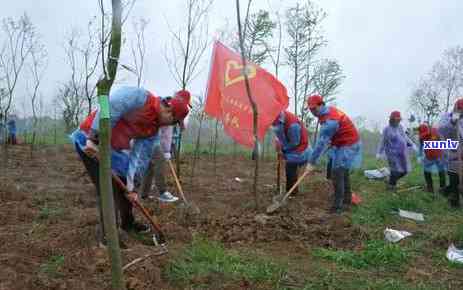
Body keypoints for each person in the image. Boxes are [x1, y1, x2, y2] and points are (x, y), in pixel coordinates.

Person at [70, 86, 189, 247]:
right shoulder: (141, 97)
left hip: (113, 150)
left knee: (125, 183)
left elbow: (140, 159)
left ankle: (128, 224)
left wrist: (133, 188)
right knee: (107, 189)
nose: (172, 126)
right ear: (169, 112)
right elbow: (111, 104)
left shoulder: (153, 131)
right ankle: (108, 238)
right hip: (88, 139)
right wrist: (94, 138)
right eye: (174, 122)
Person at [306, 94, 362, 214]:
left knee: (336, 173)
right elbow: (335, 133)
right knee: (342, 171)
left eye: (314, 108)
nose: (312, 112)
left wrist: (311, 162)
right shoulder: (327, 112)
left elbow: (321, 144)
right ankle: (346, 199)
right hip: (343, 142)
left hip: (349, 144)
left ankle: (337, 207)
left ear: (321, 105)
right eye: (310, 109)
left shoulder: (330, 122)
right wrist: (333, 141)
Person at [140, 90, 191, 202]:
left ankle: (144, 194)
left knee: (150, 168)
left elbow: (182, 127)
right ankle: (163, 192)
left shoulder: (175, 111)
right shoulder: (167, 111)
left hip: (155, 142)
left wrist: (181, 118)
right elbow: (162, 132)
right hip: (152, 141)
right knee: (160, 161)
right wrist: (166, 151)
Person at [272, 110, 311, 196]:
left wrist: (283, 150)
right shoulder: (277, 120)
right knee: (286, 168)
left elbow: (295, 143)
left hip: (300, 150)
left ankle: (291, 193)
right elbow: (279, 134)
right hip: (289, 148)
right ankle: (284, 190)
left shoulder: (293, 125)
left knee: (290, 167)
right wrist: (278, 142)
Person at [377, 111, 417, 192]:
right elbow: (382, 141)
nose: (398, 121)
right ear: (392, 119)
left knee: (405, 171)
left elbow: (405, 137)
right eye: (397, 119)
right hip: (391, 154)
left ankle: (390, 181)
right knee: (395, 171)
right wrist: (379, 152)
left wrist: (412, 144)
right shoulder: (386, 129)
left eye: (399, 119)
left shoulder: (400, 127)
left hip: (401, 153)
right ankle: (391, 188)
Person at [437, 98, 463, 208]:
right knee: (454, 178)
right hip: (452, 154)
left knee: (458, 182)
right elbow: (442, 131)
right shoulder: (446, 117)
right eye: (461, 110)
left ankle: (445, 191)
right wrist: (454, 119)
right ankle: (454, 203)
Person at [417, 123, 447, 194]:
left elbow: (442, 141)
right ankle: (436, 189)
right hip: (433, 156)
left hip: (434, 156)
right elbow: (421, 146)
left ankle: (437, 189)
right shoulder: (427, 135)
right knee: (432, 172)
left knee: (435, 172)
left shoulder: (430, 134)